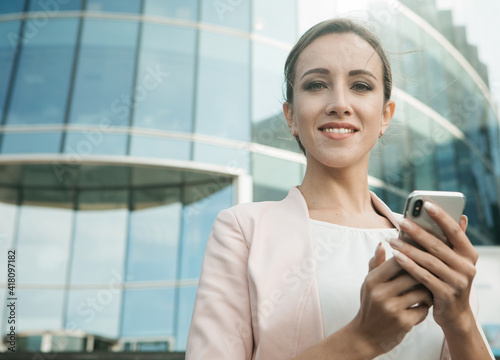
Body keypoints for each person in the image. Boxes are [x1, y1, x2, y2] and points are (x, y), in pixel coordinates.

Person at [185, 18, 494, 360]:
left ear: (385, 116)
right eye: (316, 85)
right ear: (290, 117)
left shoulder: (425, 244)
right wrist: (363, 338)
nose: (339, 103)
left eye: (361, 86)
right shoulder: (243, 231)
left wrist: (460, 317)